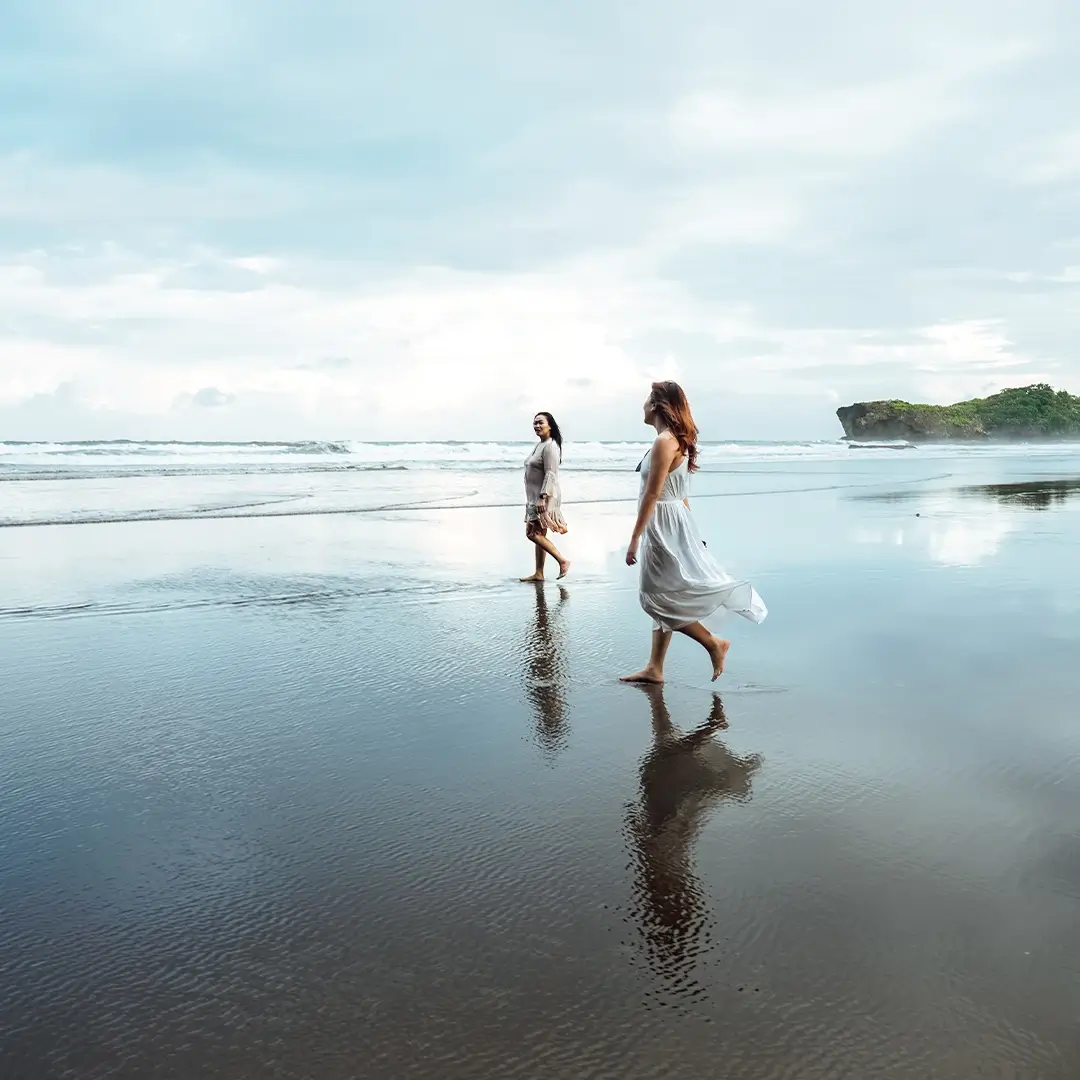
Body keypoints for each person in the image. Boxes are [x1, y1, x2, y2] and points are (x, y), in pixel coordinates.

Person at [621, 381, 766, 683]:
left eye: (647, 399)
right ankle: (655, 667)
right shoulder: (672, 439)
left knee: (654, 598)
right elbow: (680, 491)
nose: (642, 405)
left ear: (658, 405)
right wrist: (689, 530)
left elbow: (652, 494)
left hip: (662, 522)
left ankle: (713, 643)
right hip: (671, 520)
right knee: (666, 591)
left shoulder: (665, 441)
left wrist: (634, 538)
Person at [520, 411, 571, 582]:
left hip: (543, 497)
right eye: (534, 423)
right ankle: (539, 573)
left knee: (532, 534)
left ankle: (562, 561)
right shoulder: (540, 444)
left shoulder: (550, 446)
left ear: (550, 425)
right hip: (533, 496)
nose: (537, 426)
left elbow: (551, 473)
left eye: (540, 422)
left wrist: (543, 496)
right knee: (539, 533)